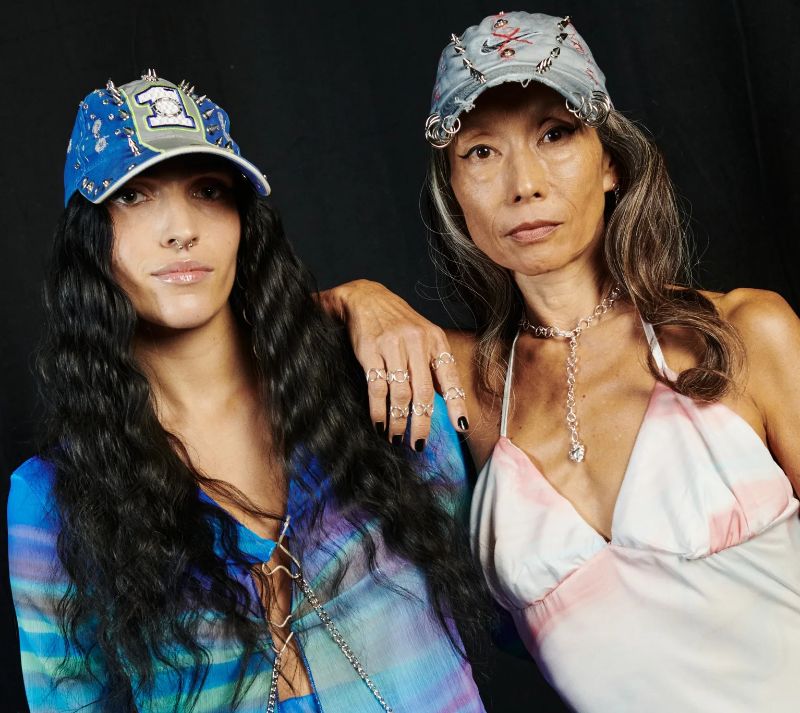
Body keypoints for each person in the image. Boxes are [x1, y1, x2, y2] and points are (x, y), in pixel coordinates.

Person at [324, 11, 800, 712]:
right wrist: (354, 299)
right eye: (481, 152)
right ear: (454, 191)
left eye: (554, 134)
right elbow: (224, 338)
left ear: (610, 162)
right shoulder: (464, 383)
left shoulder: (746, 331)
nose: (524, 184)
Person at [7, 71, 489, 713]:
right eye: (134, 196)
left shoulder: (378, 390)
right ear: (89, 239)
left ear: (244, 220)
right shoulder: (53, 502)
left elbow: (523, 589)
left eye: (208, 190)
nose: (180, 229)